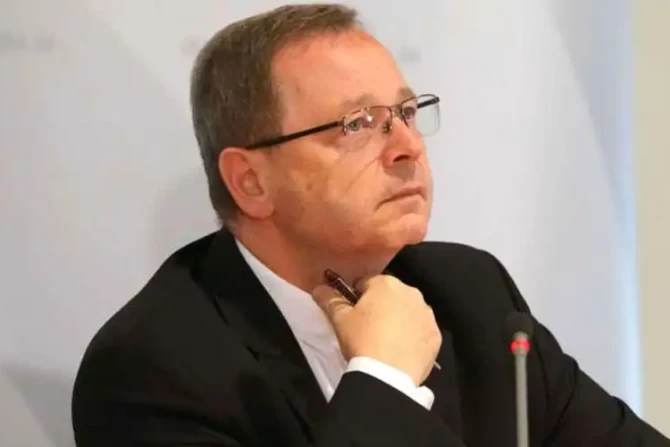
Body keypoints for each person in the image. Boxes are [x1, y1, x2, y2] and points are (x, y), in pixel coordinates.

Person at [71, 4, 669, 446]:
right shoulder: (151, 371)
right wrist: (383, 381)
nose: (408, 145)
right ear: (251, 182)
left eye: (406, 112)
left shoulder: (472, 294)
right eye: (357, 123)